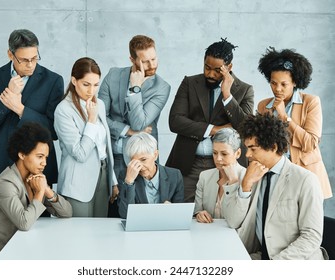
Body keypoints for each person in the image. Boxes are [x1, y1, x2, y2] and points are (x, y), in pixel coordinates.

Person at [222, 113, 327, 260]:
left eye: (253, 149)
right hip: (259, 256)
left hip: (294, 261)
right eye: (247, 149)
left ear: (273, 146)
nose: (248, 155)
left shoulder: (305, 180)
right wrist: (245, 185)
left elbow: (311, 237)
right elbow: (233, 221)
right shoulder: (252, 175)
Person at [0, 29, 64, 204]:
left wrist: (20, 109)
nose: (31, 64)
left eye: (35, 58)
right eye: (24, 60)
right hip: (1, 167)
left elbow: (54, 131)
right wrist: (6, 99)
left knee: (40, 227)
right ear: (10, 54)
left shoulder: (53, 80)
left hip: (37, 172)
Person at [166, 38, 254, 202]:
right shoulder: (190, 83)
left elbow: (246, 127)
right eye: (207, 67)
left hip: (224, 166)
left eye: (217, 70)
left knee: (220, 214)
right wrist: (215, 130)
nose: (210, 74)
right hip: (189, 165)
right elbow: (175, 121)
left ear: (229, 67)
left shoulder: (244, 90)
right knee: (184, 213)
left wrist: (227, 95)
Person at [98, 34, 171, 217]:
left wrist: (134, 89)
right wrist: (127, 130)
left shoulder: (162, 88)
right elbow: (99, 117)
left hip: (141, 160)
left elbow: (140, 122)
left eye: (154, 58)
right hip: (110, 159)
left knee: (139, 213)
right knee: (110, 214)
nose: (152, 65)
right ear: (132, 59)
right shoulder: (113, 75)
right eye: (145, 61)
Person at [0, 122, 72, 260]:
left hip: (12, 249)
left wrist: (47, 191)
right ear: (21, 154)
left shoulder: (35, 179)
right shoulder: (6, 183)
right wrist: (39, 193)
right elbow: (24, 223)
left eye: (46, 157)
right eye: (39, 157)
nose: (44, 163)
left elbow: (67, 212)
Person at [257, 47, 332, 199]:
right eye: (273, 83)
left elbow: (310, 143)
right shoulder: (263, 106)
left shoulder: (311, 102)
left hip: (307, 177)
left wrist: (285, 117)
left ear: (295, 82)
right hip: (275, 177)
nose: (277, 89)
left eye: (284, 84)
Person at [54, 57, 118, 217]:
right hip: (77, 182)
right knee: (79, 234)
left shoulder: (100, 104)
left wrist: (113, 181)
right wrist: (91, 120)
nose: (91, 91)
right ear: (74, 81)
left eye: (96, 85)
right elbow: (79, 153)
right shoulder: (63, 110)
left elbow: (104, 147)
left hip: (103, 176)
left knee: (99, 233)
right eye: (86, 84)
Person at [117, 132, 184, 219]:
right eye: (135, 161)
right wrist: (129, 182)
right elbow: (125, 215)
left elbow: (181, 213)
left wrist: (171, 209)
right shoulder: (125, 176)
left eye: (143, 159)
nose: (140, 166)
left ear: (155, 155)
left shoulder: (175, 175)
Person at [194, 128, 245, 223]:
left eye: (224, 154)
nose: (218, 159)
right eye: (214, 153)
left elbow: (238, 221)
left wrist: (233, 181)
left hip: (236, 235)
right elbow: (197, 210)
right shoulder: (204, 176)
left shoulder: (247, 178)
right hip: (208, 232)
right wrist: (199, 214)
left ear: (237, 153)